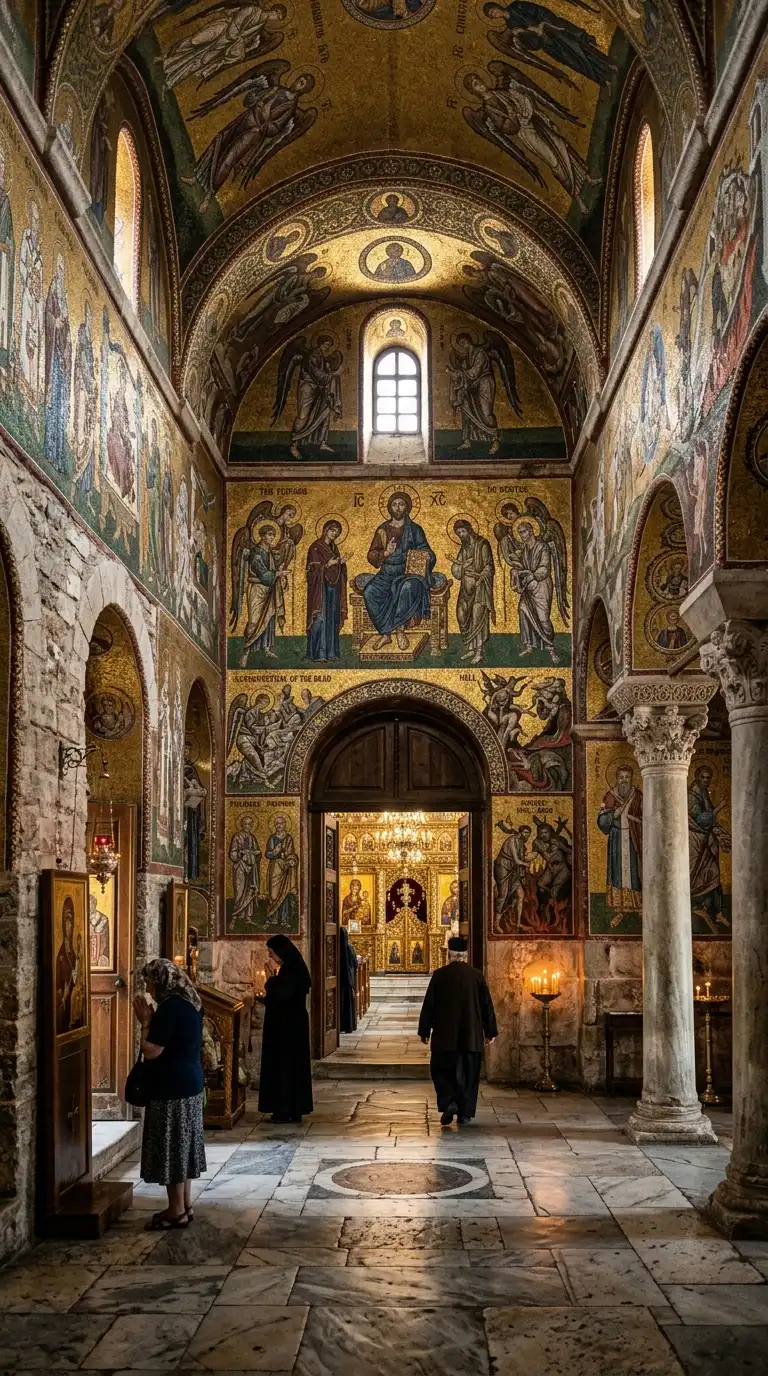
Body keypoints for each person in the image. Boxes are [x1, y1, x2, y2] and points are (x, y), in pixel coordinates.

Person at [133, 957, 205, 1230]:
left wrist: (145, 1022)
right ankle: (184, 1205)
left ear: (161, 981)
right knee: (183, 1147)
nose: (148, 989)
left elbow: (152, 1051)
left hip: (172, 1089)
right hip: (190, 1084)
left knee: (173, 1148)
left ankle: (175, 1211)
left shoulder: (170, 1008)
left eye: (149, 982)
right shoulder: (189, 1002)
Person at [418, 936, 497, 1126]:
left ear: (449, 954)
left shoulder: (439, 975)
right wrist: (490, 1031)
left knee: (442, 1070)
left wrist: (424, 1030)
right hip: (471, 1036)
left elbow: (429, 1005)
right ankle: (464, 1113)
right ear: (465, 955)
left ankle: (449, 1102)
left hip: (444, 1036)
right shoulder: (476, 976)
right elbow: (486, 1005)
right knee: (469, 1074)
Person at [256, 935, 313, 1123]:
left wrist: (270, 980)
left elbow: (282, 995)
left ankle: (284, 1109)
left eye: (271, 953)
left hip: (287, 1027)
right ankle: (292, 1108)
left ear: (281, 952)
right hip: (291, 1025)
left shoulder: (291, 969)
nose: (270, 957)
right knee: (290, 1068)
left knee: (285, 1068)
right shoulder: (293, 967)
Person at [339, 925, 358, 1034]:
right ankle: (349, 1026)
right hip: (348, 980)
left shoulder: (334, 948)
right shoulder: (349, 948)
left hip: (338, 981)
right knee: (348, 1004)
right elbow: (355, 963)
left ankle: (339, 1025)